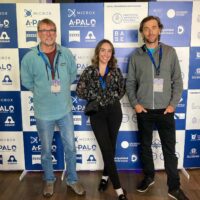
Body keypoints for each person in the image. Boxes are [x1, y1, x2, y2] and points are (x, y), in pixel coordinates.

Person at [21, 18, 85, 197]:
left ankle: (72, 179)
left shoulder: (66, 53)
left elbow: (72, 75)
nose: (48, 34)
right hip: (43, 112)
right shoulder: (30, 57)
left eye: (51, 30)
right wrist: (43, 91)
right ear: (38, 34)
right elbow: (27, 82)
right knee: (46, 149)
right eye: (44, 30)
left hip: (64, 110)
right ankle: (49, 179)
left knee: (70, 147)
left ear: (56, 33)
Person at [126, 16, 189, 200]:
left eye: (154, 27)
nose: (150, 31)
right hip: (144, 110)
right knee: (145, 147)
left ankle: (174, 187)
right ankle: (149, 176)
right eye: (146, 28)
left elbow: (177, 81)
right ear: (142, 32)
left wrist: (172, 105)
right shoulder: (136, 55)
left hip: (165, 111)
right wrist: (136, 104)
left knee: (169, 150)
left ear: (159, 30)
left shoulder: (170, 52)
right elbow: (130, 83)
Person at [76, 39, 128, 200]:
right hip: (97, 113)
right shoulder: (89, 71)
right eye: (103, 50)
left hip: (114, 112)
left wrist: (109, 97)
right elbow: (79, 91)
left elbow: (122, 91)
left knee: (111, 149)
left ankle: (105, 177)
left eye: (109, 51)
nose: (106, 54)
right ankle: (119, 189)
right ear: (98, 52)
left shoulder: (116, 71)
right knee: (106, 149)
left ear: (112, 54)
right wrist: (98, 97)